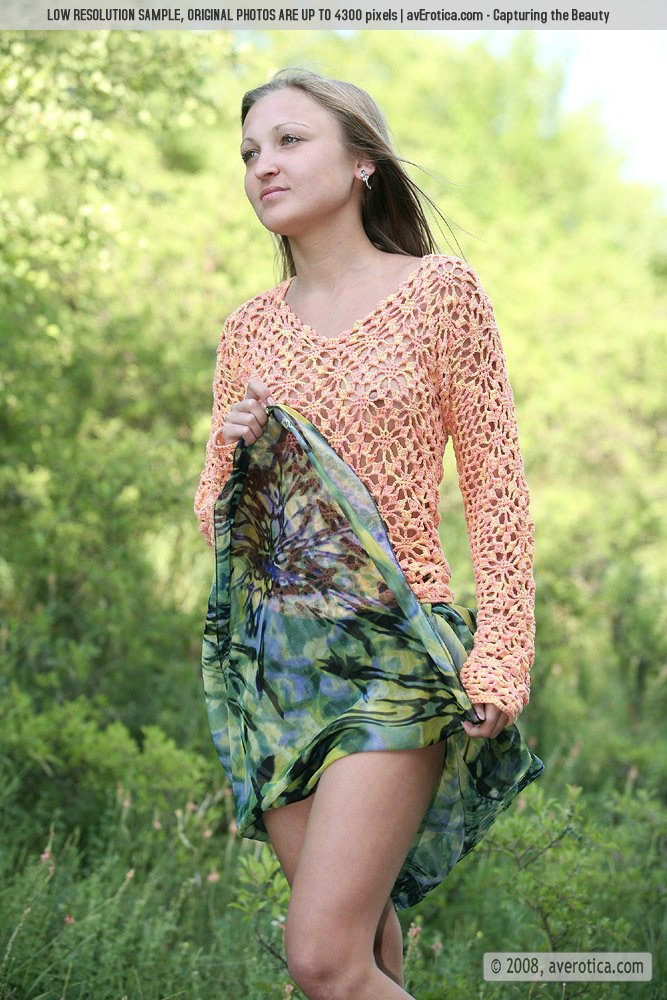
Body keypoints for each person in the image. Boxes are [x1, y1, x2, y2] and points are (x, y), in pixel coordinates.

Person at [194, 67, 538, 1000]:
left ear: (362, 162)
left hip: (393, 649)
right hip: (276, 663)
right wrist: (238, 453)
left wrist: (501, 655)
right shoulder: (247, 330)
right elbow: (214, 517)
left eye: (289, 140)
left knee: (321, 959)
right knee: (368, 945)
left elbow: (496, 488)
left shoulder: (438, 293)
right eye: (249, 152)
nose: (262, 165)